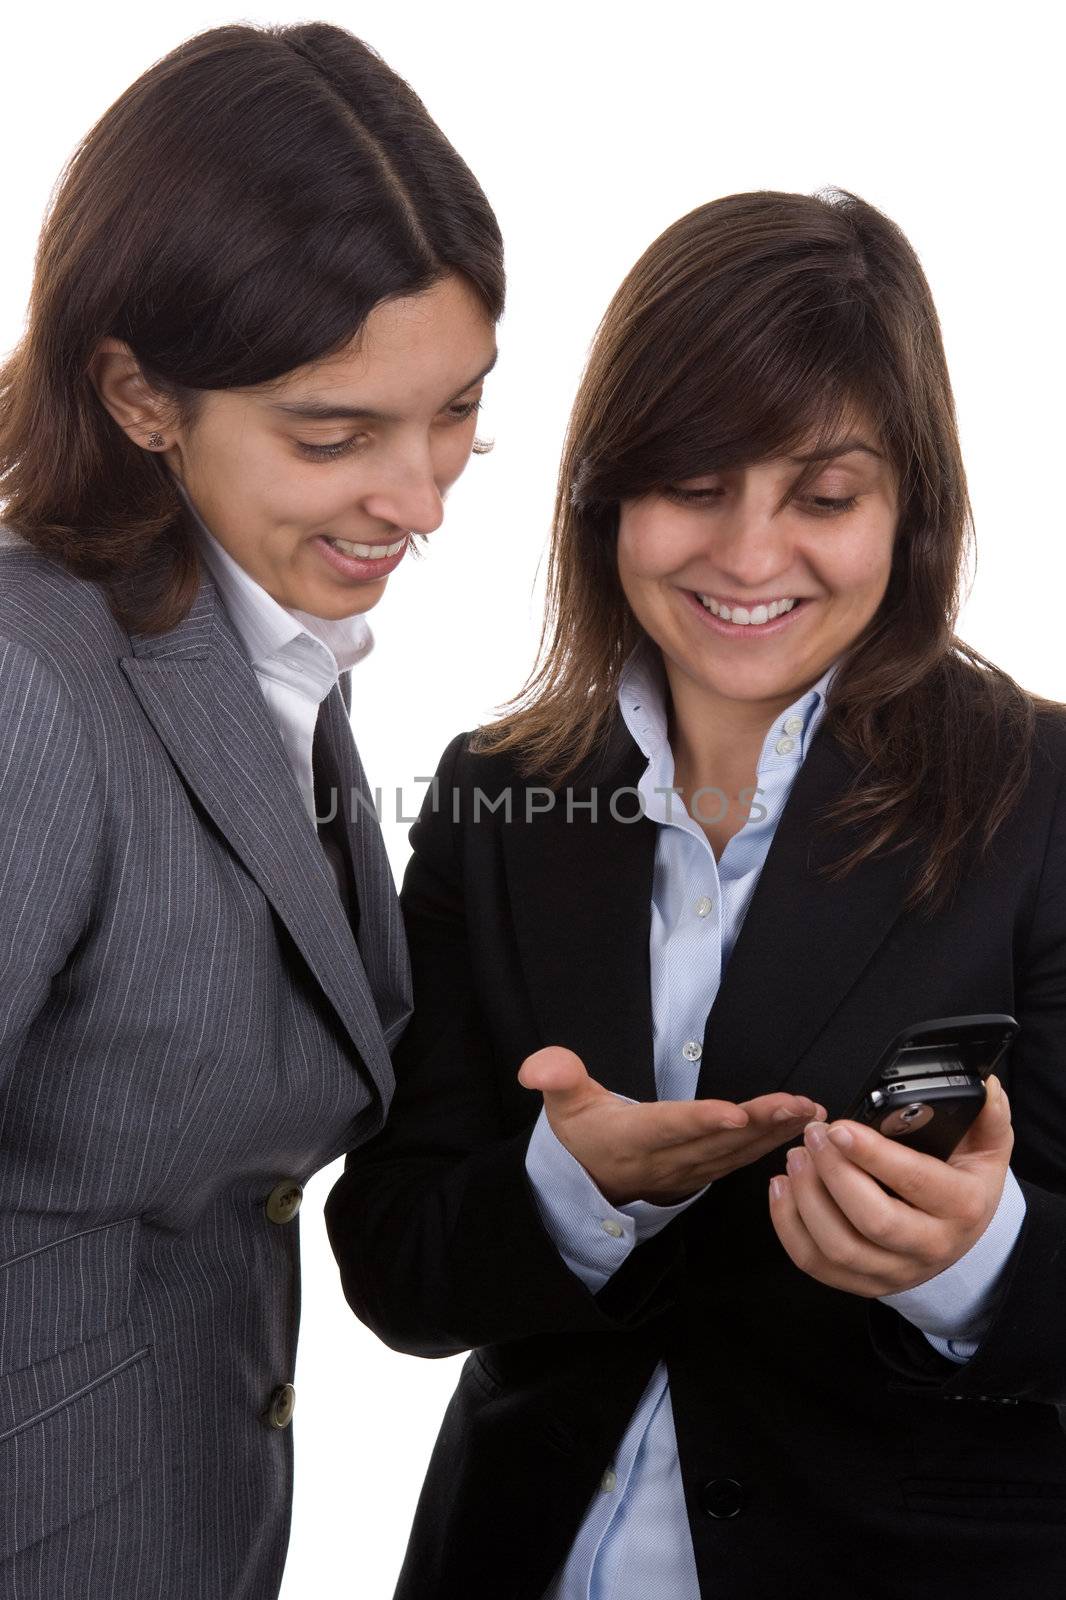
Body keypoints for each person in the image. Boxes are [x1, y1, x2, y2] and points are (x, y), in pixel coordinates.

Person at [325, 188, 1066, 1599]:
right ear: (607, 492)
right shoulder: (494, 793)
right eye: (693, 484)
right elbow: (395, 1259)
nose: (745, 554)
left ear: (908, 508)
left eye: (822, 496)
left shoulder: (1042, 796)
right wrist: (567, 1193)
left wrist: (977, 1260)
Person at [0, 21, 501, 1597]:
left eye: (454, 411)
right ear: (141, 396)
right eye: (333, 435)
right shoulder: (30, 688)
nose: (418, 500)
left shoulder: (258, 651)